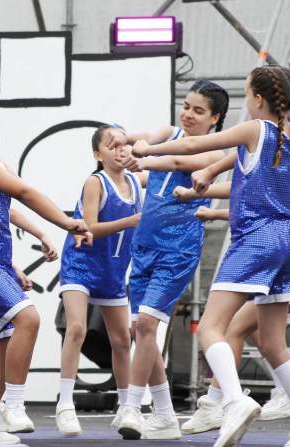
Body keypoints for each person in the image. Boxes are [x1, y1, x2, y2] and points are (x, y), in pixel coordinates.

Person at [131, 66, 290, 446]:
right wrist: (211, 171)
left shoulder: (255, 129)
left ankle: (234, 401)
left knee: (212, 328)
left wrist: (147, 150)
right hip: (285, 244)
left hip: (254, 240)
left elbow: (191, 146)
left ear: (257, 99)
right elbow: (236, 159)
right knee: (273, 343)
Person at [0, 100, 90, 446]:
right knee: (27, 318)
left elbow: (6, 208)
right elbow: (24, 192)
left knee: (6, 342)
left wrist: (40, 233)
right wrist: (66, 222)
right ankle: (12, 404)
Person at [111, 80, 230, 440]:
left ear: (215, 119)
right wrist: (118, 142)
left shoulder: (215, 152)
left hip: (178, 249)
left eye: (198, 110)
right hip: (144, 245)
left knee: (148, 325)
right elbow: (138, 139)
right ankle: (164, 415)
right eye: (187, 106)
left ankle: (133, 407)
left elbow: (178, 160)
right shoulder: (168, 132)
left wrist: (144, 155)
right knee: (141, 330)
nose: (188, 114)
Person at [55, 124, 142, 436]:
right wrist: (131, 221)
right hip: (81, 264)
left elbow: (164, 173)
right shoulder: (96, 182)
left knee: (121, 340)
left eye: (124, 143)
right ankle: (65, 404)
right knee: (77, 328)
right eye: (112, 145)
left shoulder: (135, 181)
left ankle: (126, 407)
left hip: (113, 270)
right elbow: (90, 226)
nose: (120, 149)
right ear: (98, 154)